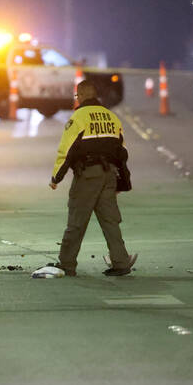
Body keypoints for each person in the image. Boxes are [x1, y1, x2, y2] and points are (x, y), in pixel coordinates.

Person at [42, 79, 136, 278]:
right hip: (109, 175)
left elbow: (66, 151)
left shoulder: (78, 118)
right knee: (110, 221)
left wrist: (56, 177)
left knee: (77, 220)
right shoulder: (112, 118)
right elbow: (122, 152)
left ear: (81, 96)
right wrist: (121, 181)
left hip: (88, 175)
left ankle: (67, 264)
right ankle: (120, 262)